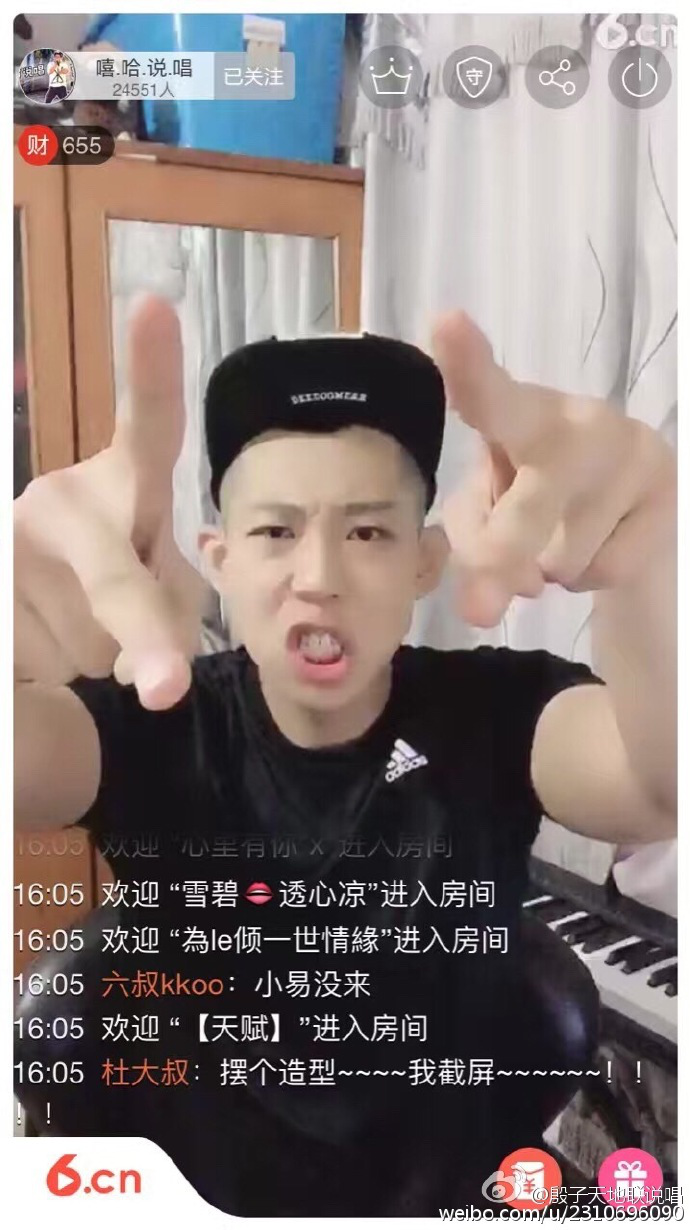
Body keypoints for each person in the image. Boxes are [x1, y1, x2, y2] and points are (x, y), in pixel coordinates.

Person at [14, 297, 676, 1216]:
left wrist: (652, 569)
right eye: (275, 532)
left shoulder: (495, 712)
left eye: (367, 532)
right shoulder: (156, 721)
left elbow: (656, 784)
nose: (318, 576)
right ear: (220, 559)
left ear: (423, 562)